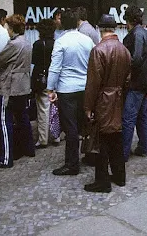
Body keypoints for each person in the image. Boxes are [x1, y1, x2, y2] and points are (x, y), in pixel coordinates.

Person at [83, 14, 132, 193]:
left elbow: (93, 82)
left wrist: (88, 107)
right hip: (119, 97)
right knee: (117, 137)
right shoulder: (124, 49)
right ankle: (120, 176)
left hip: (104, 99)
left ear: (99, 28)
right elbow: (128, 78)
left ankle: (102, 181)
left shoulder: (99, 50)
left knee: (101, 140)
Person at [46, 9, 95, 176]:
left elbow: (55, 68)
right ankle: (88, 154)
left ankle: (72, 163)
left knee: (70, 127)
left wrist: (50, 89)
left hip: (66, 89)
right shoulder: (87, 41)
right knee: (84, 123)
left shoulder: (61, 42)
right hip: (84, 87)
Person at [0, 14, 34, 169]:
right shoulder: (27, 43)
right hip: (23, 85)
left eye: (8, 27)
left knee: (5, 120)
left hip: (10, 86)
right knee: (23, 117)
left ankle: (6, 158)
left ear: (12, 28)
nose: (6, 30)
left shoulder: (13, 44)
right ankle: (29, 148)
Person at [122, 5, 147, 161]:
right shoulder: (146, 34)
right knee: (141, 116)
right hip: (144, 81)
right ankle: (143, 147)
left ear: (128, 19)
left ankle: (123, 152)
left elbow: (135, 59)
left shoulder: (135, 34)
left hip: (135, 82)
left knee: (128, 118)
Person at [31, 19, 56, 149]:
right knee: (56, 109)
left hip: (41, 79)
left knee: (43, 110)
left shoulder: (37, 44)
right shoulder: (56, 44)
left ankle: (43, 139)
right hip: (55, 78)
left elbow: (34, 61)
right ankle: (56, 135)